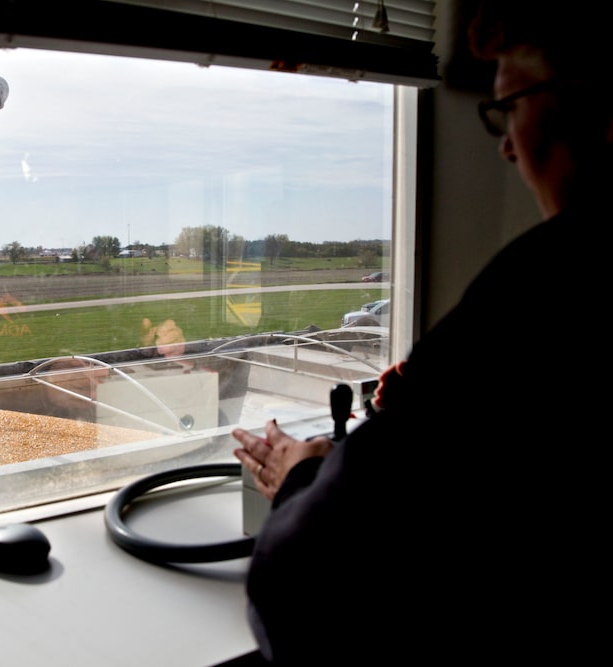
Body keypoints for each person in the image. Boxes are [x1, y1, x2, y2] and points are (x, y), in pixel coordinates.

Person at [230, 1, 607, 661]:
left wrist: (308, 477)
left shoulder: (540, 293)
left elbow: (300, 593)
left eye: (510, 105)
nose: (507, 145)